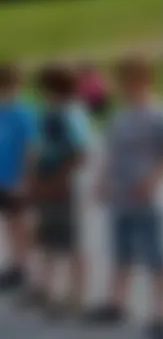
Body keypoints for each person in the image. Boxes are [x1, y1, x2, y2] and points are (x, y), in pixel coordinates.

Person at [91, 55, 163, 339]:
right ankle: (116, 303)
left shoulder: (159, 115)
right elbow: (111, 152)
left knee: (156, 258)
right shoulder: (121, 115)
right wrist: (101, 181)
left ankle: (162, 315)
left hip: (149, 198)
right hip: (120, 195)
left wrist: (153, 180)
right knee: (120, 252)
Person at [27, 64, 93, 315]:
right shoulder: (49, 113)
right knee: (46, 239)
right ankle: (46, 288)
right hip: (47, 183)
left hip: (64, 186)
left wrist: (58, 180)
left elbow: (80, 152)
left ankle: (77, 295)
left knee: (71, 241)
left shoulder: (69, 114)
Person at [0, 63, 36, 289]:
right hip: (2, 177)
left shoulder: (23, 113)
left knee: (20, 223)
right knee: (8, 223)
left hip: (17, 178)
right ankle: (14, 263)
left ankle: (25, 266)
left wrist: (25, 178)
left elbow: (31, 148)